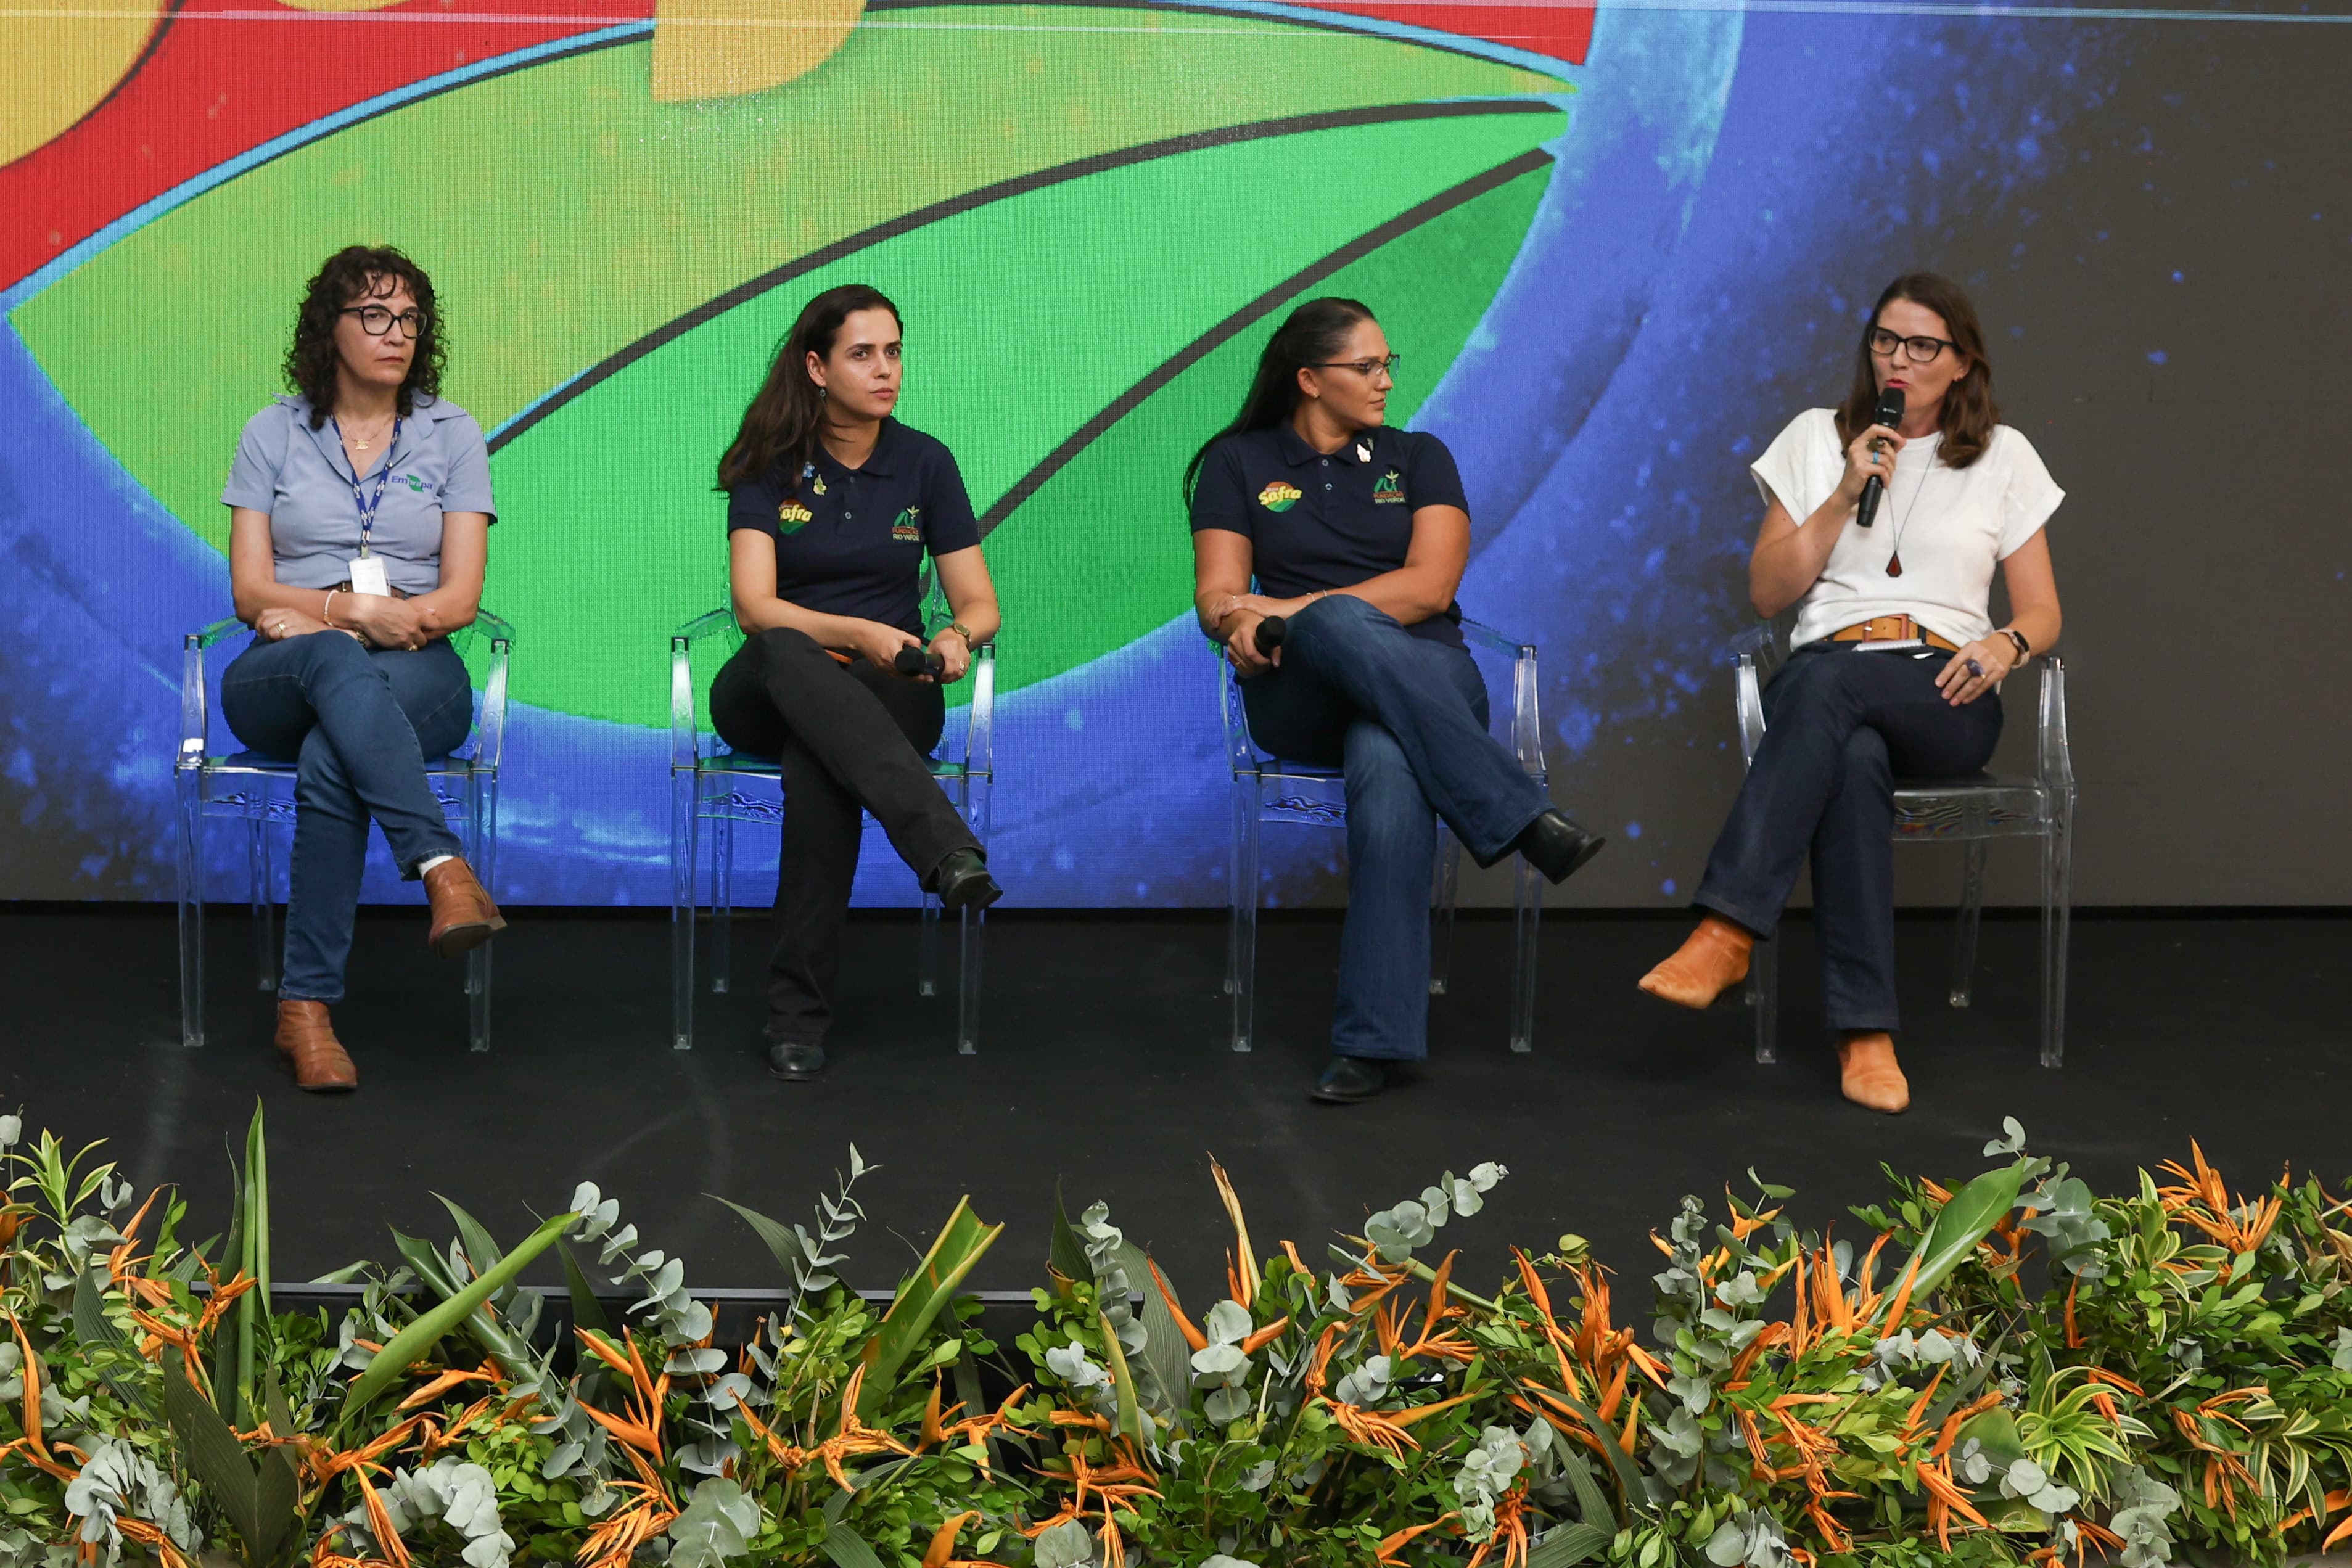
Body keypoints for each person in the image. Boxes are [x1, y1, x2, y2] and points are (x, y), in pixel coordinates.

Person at [1638, 272, 2065, 1113]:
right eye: (1882, 339)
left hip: (1945, 690)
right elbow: (1768, 595)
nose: (1895, 359)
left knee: (1823, 691)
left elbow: (2043, 610)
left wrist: (2005, 643)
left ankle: (1725, 932)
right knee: (1851, 757)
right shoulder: (1814, 438)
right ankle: (1865, 1033)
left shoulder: (2002, 455)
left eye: (1918, 346)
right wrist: (1841, 490)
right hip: (1832, 672)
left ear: (1960, 362)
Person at [1187, 297, 1605, 1106]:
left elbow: (1429, 589)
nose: (1384, 381)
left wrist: (1285, 611)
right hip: (1298, 692)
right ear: (1309, 380)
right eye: (1365, 367)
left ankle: (1370, 1046)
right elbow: (1216, 598)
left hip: (1429, 673)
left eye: (1389, 365)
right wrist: (1266, 619)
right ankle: (1520, 816)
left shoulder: (1419, 458)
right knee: (1344, 634)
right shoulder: (1237, 464)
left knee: (1385, 752)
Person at [219, 244, 504, 1093]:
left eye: (409, 318)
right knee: (329, 665)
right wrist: (344, 613)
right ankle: (442, 869)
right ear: (329, 329)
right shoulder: (271, 432)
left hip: (420, 667)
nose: (396, 334)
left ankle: (304, 1011)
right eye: (374, 315)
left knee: (331, 756)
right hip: (282, 669)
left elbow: (457, 598)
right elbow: (248, 590)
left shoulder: (452, 433)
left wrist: (368, 620)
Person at [712, 284, 1002, 1082]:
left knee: (820, 770)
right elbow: (754, 607)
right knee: (784, 648)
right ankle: (941, 846)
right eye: (862, 354)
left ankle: (795, 1017)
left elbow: (979, 603)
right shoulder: (767, 465)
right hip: (771, 686)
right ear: (816, 366)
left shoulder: (925, 462)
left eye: (894, 351)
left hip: (890, 692)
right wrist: (861, 634)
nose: (886, 370)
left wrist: (953, 634)